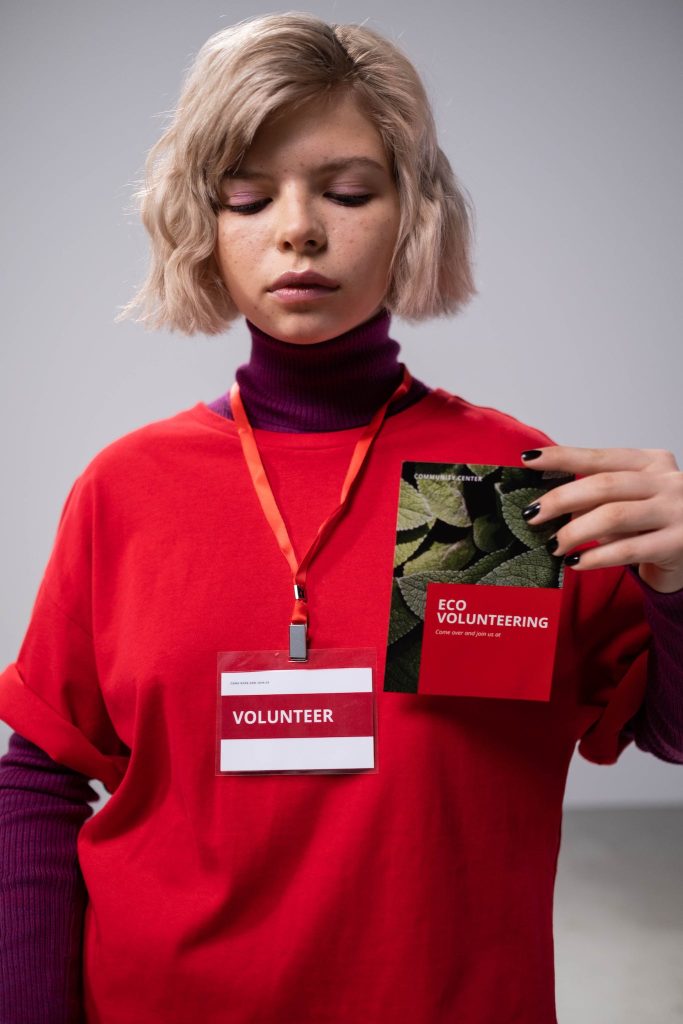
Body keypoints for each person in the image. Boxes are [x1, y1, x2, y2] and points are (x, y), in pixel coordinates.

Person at [0, 12, 681, 1023]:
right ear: (206, 222)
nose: (297, 230)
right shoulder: (126, 488)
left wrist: (679, 590)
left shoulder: (502, 483)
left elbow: (664, 727)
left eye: (346, 190)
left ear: (413, 210)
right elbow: (42, 781)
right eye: (247, 194)